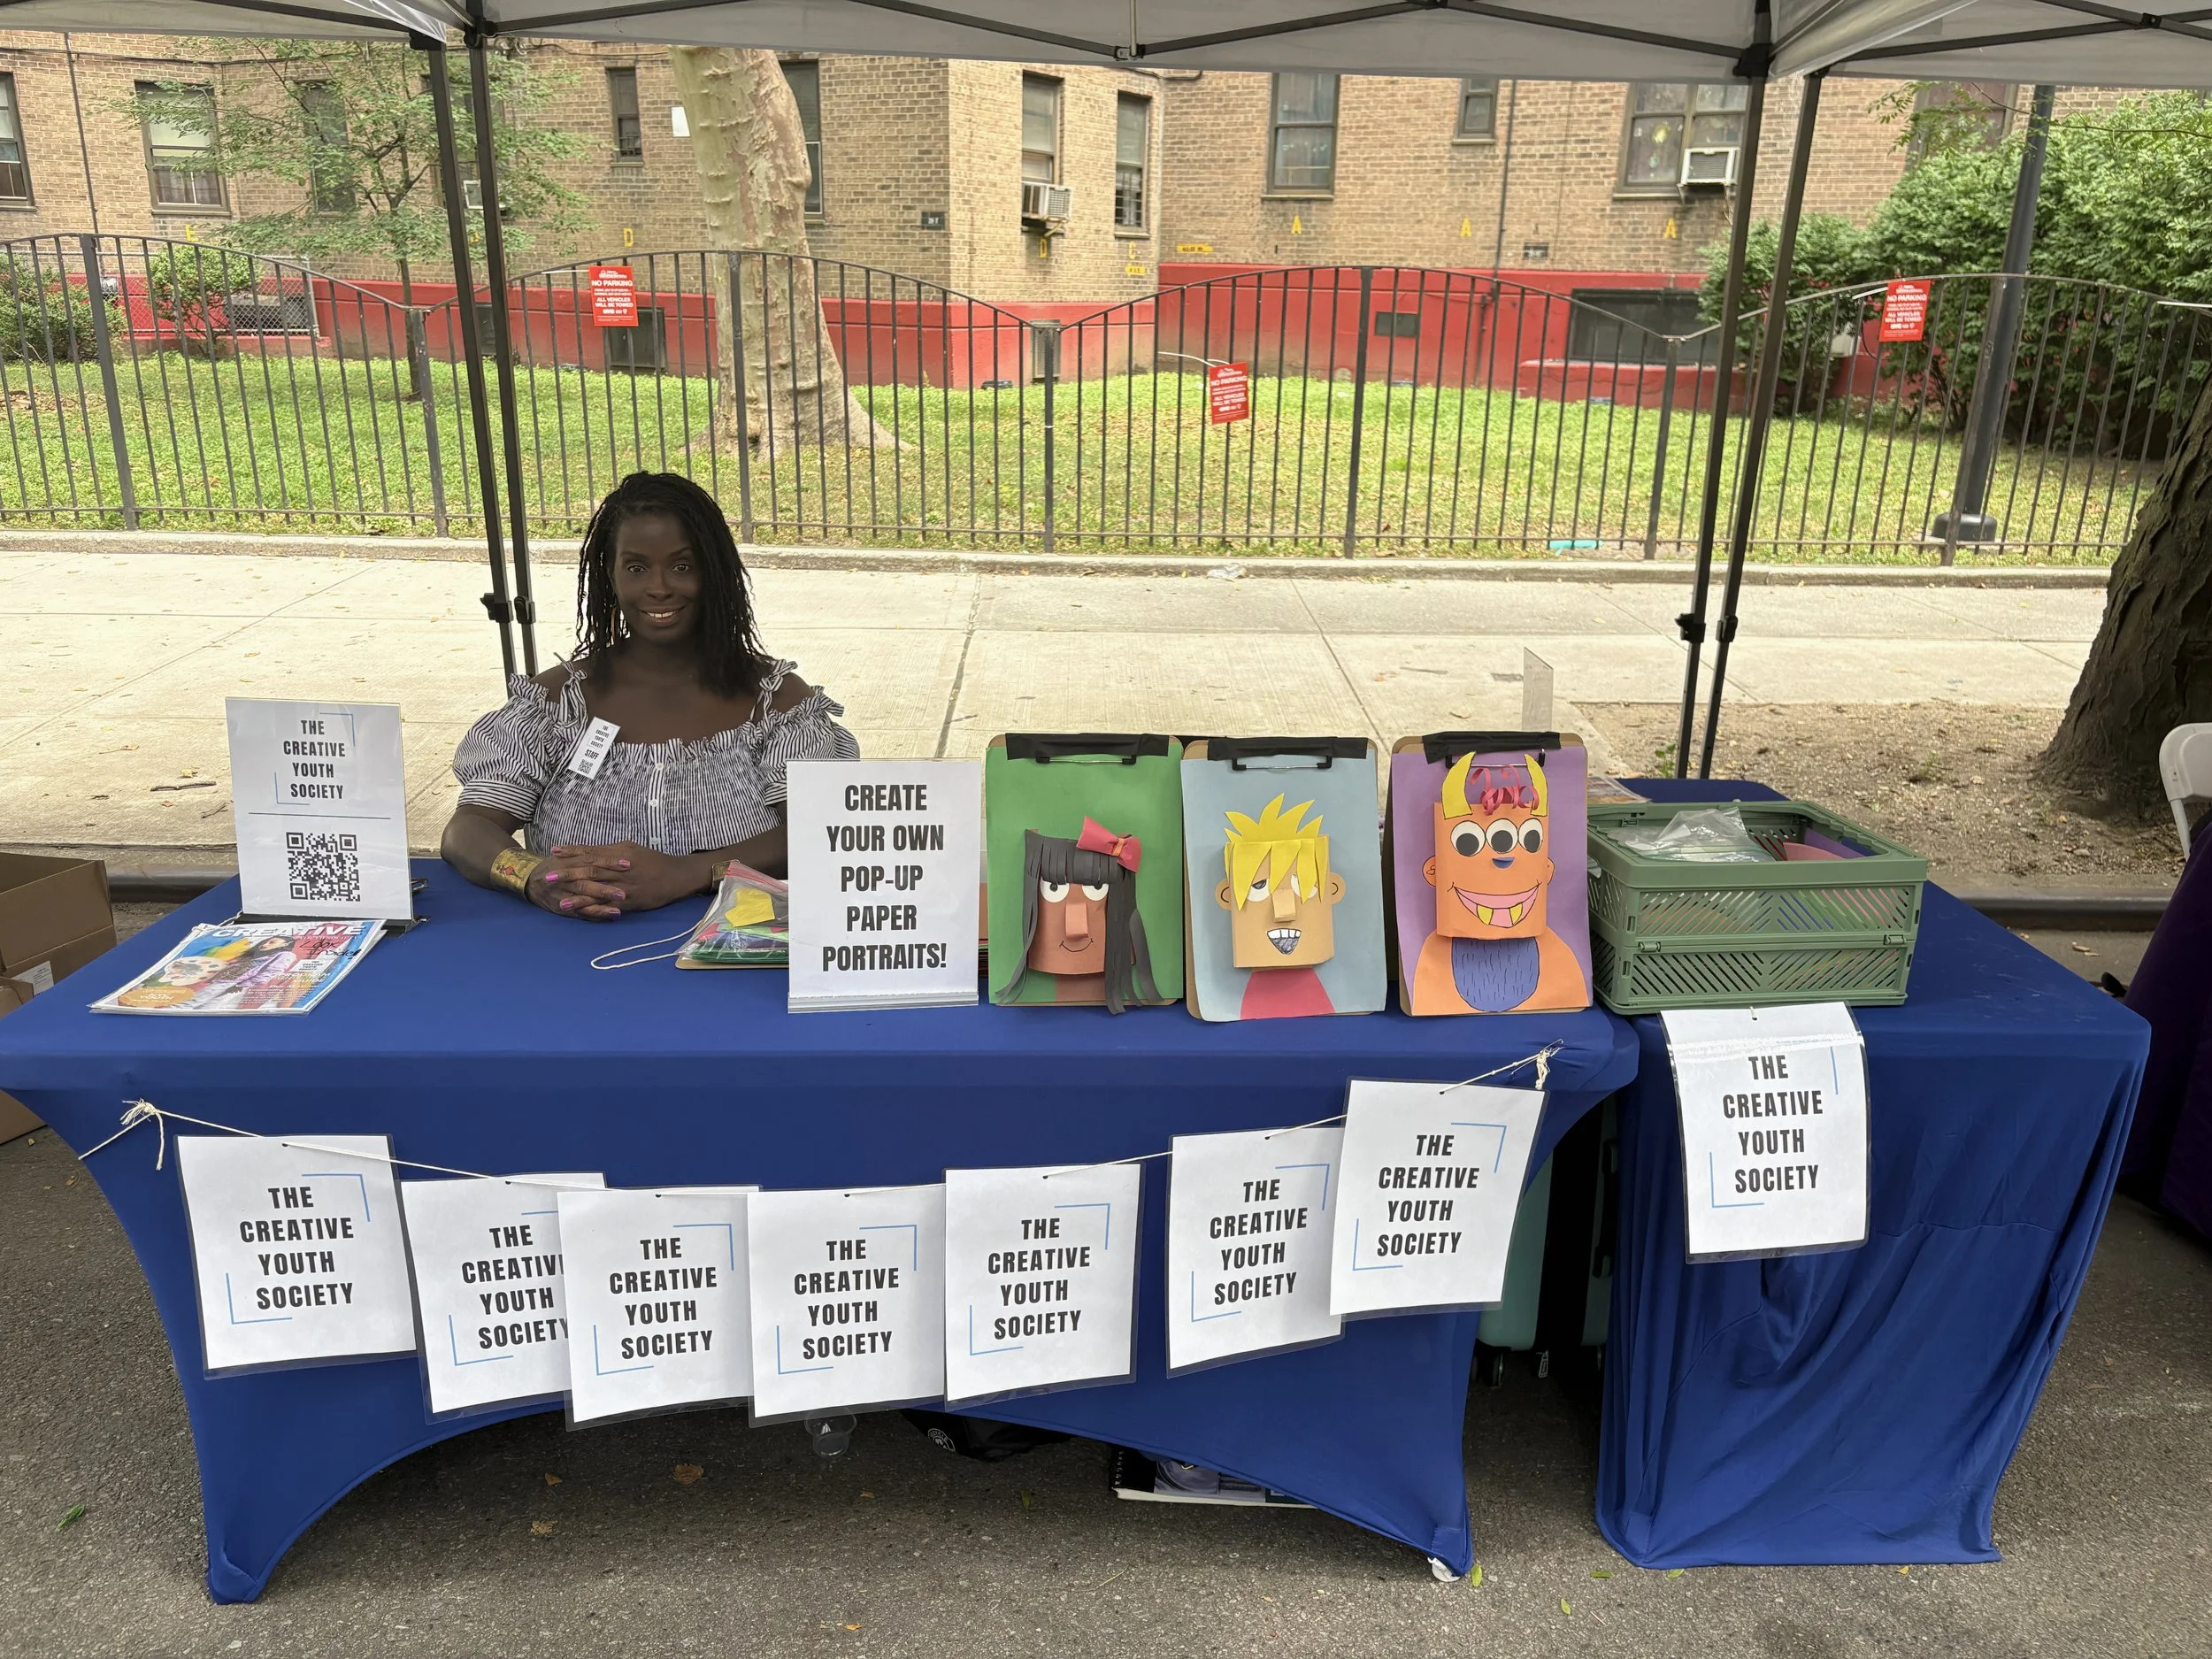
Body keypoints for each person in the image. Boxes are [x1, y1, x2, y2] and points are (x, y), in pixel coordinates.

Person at [442, 472, 858, 920]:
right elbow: (467, 829)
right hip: (569, 954)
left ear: (712, 571)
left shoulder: (775, 704)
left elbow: (821, 828)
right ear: (611, 574)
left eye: (682, 566)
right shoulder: (554, 704)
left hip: (732, 954)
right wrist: (531, 876)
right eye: (636, 567)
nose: (659, 587)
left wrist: (690, 873)